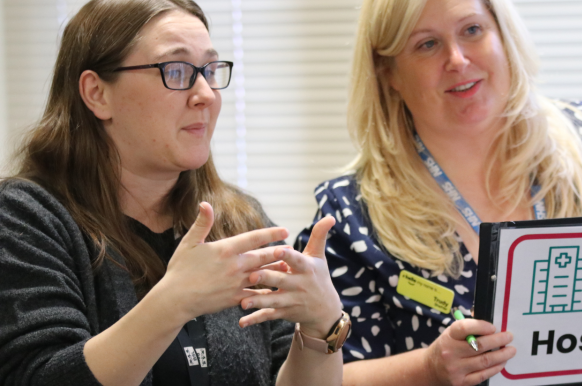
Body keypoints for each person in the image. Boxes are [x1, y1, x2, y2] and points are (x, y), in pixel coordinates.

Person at [295, 0, 582, 385]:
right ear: (388, 71)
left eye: (472, 30)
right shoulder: (349, 214)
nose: (456, 59)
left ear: (502, 34)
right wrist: (430, 369)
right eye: (426, 44)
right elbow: (318, 375)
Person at [0, 1, 348, 385]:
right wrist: (173, 303)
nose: (206, 94)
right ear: (97, 93)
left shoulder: (239, 219)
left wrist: (321, 329)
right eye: (176, 70)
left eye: (211, 70)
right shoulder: (25, 219)